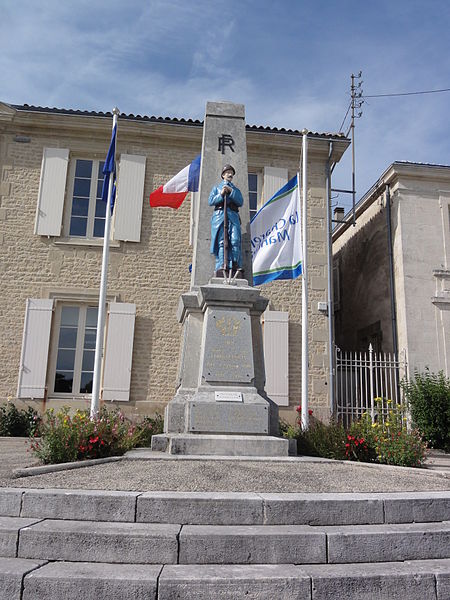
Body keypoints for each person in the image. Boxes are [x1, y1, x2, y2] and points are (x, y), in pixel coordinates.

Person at [208, 164, 244, 277]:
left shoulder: (236, 189)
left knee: (235, 240)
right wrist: (221, 194)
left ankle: (234, 264)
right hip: (220, 216)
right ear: (223, 175)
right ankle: (222, 265)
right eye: (228, 172)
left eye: (231, 173)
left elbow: (240, 201)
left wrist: (231, 192)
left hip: (233, 216)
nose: (230, 174)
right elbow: (211, 201)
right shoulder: (216, 188)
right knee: (222, 242)